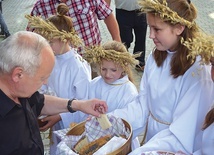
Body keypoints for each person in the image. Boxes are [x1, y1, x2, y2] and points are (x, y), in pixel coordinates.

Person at [108, 0, 214, 154]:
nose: (150, 35)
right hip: (154, 142)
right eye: (149, 27)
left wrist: (141, 152)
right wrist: (111, 120)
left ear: (179, 28)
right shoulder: (157, 55)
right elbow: (143, 104)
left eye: (157, 29)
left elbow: (183, 133)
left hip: (173, 146)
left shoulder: (197, 71)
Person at [0, 31, 107, 155]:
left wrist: (79, 105)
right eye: (42, 78)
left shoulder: (20, 90)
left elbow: (40, 101)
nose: (45, 83)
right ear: (18, 74)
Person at [26, 4, 92, 154]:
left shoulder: (78, 66)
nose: (47, 46)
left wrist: (59, 116)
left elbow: (84, 102)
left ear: (65, 38)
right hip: (54, 120)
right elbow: (45, 87)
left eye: (51, 42)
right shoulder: (52, 59)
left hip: (72, 126)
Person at [28, 0, 121, 55]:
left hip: (91, 57)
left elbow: (108, 16)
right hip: (59, 62)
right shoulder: (41, 5)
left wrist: (117, 40)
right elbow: (31, 33)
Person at [105, 0, 147, 71]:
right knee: (125, 40)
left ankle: (140, 62)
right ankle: (123, 62)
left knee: (141, 38)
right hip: (123, 12)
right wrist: (106, 9)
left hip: (141, 11)